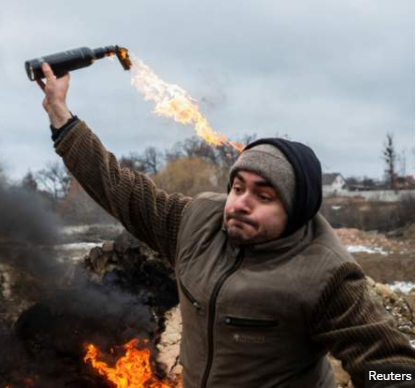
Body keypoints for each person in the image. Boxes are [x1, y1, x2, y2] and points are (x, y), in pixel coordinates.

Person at [34, 63, 414, 387]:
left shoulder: (326, 273)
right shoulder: (199, 223)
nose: (241, 204)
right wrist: (61, 117)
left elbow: (392, 368)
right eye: (237, 187)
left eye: (264, 196)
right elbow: (119, 189)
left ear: (296, 210)